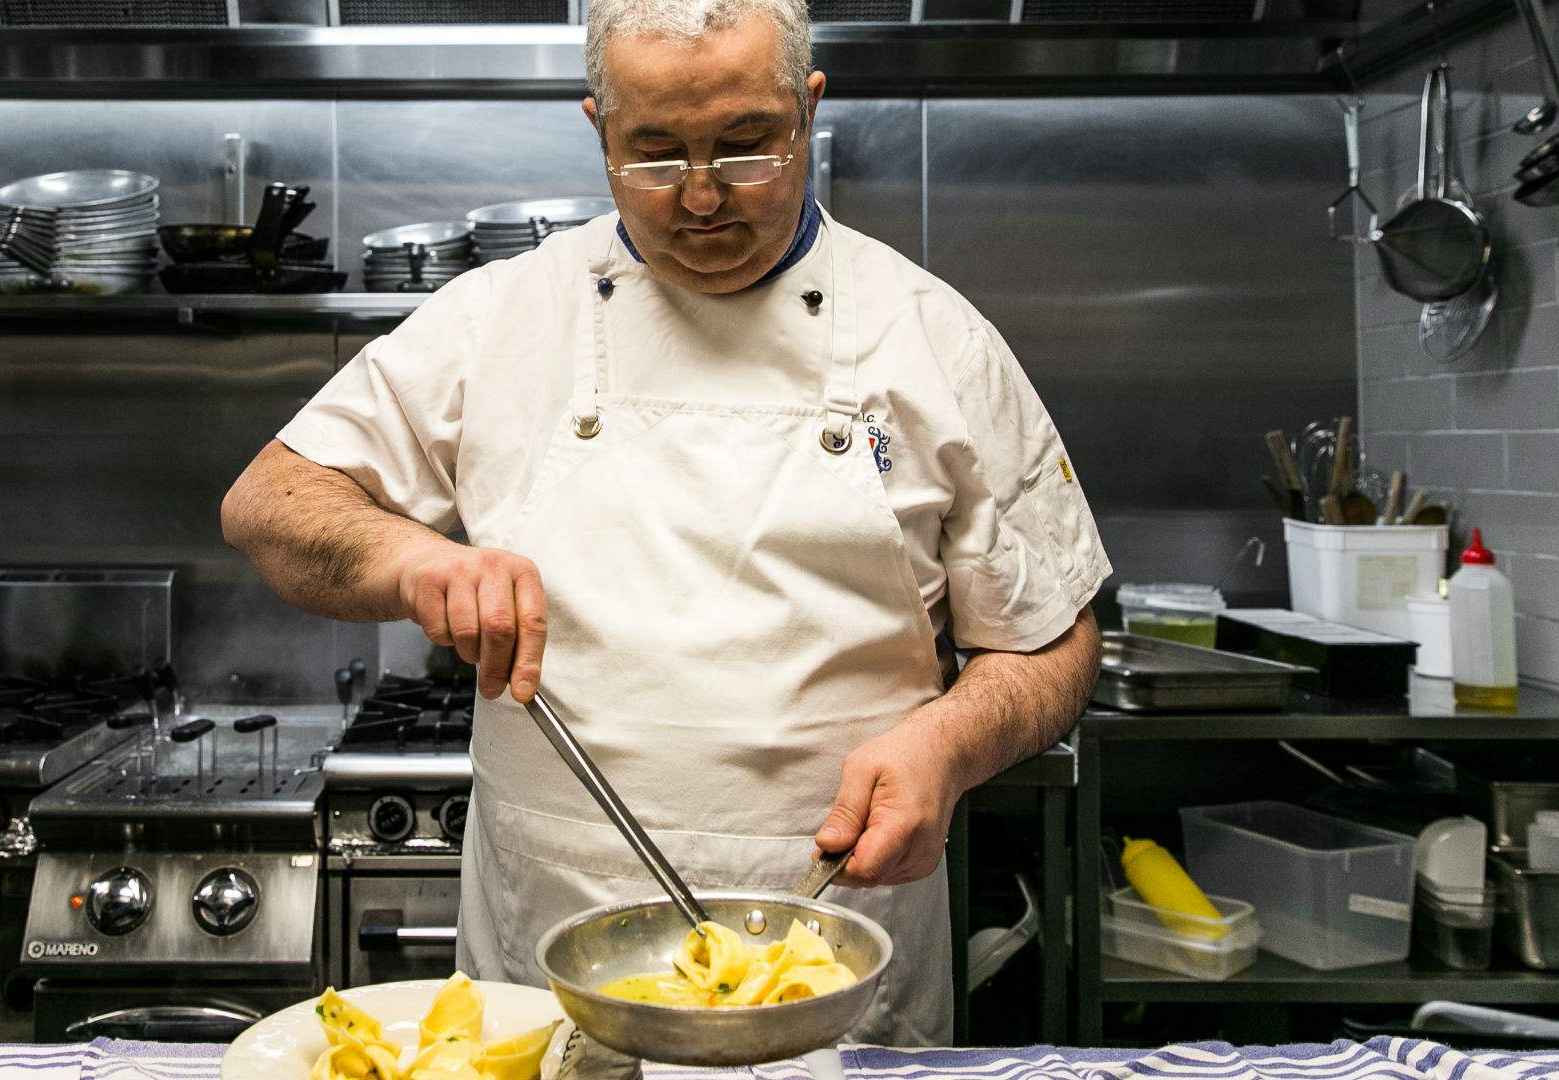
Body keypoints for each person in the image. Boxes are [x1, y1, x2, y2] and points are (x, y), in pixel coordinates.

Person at [222, 0, 1109, 1044]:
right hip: (550, 968)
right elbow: (267, 504)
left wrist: (947, 749)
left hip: (835, 961)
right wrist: (407, 557)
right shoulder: (501, 316)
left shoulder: (932, 337)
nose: (699, 197)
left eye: (744, 147)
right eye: (653, 153)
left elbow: (1049, 640)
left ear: (808, 111)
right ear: (598, 126)